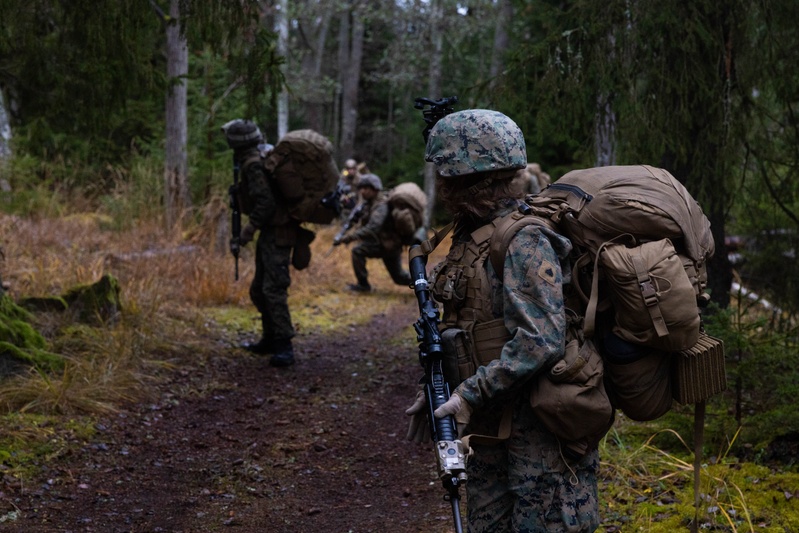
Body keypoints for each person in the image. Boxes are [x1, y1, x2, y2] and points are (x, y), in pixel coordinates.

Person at [405, 109, 600, 531]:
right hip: (492, 423)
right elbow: (467, 327)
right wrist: (438, 388)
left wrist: (469, 395)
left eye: (444, 173)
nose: (438, 183)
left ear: (467, 177)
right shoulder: (470, 235)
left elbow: (540, 340)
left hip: (540, 427)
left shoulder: (523, 239)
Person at [221, 119, 305, 368]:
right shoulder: (255, 159)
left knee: (272, 290)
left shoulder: (252, 164)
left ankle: (284, 346)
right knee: (259, 289)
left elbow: (265, 204)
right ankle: (270, 338)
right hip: (271, 232)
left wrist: (245, 233)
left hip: (278, 233)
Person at [332, 173, 412, 293]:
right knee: (399, 277)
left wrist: (348, 237)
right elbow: (355, 220)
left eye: (366, 188)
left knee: (358, 251)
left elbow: (372, 228)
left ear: (375, 189)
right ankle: (428, 284)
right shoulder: (368, 204)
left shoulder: (381, 205)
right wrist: (344, 231)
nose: (363, 191)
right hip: (382, 243)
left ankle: (363, 285)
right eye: (361, 188)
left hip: (388, 245)